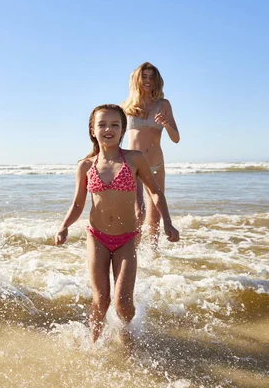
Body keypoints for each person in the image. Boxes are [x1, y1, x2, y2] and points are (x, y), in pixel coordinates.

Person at [55, 104, 179, 343]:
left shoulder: (134, 159)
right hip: (97, 237)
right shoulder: (85, 165)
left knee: (123, 303)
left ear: (123, 130)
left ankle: (126, 337)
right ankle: (94, 344)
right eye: (102, 124)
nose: (108, 129)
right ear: (93, 129)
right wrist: (64, 226)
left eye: (115, 125)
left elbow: (155, 192)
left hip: (126, 239)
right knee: (101, 299)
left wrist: (167, 222)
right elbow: (78, 204)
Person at [122, 62, 180, 249]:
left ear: (157, 81)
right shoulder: (126, 106)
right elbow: (113, 137)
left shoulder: (163, 105)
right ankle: (132, 253)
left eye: (151, 77)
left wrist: (166, 124)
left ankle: (153, 254)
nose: (148, 81)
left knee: (155, 215)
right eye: (144, 76)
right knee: (138, 212)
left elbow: (176, 138)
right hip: (133, 165)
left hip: (156, 163)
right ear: (137, 79)